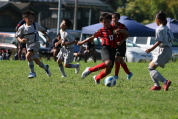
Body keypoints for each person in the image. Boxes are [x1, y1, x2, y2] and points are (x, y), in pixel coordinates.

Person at [77, 13, 129, 84]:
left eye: (108, 22)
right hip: (106, 49)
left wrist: (121, 31)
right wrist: (82, 42)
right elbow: (92, 37)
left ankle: (97, 78)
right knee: (108, 63)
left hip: (113, 50)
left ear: (111, 21)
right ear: (101, 22)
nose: (107, 24)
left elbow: (127, 33)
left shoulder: (115, 28)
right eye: (105, 22)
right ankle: (90, 70)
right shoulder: (101, 31)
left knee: (108, 71)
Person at [16, 10, 52, 78]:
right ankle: (46, 67)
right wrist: (21, 40)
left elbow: (42, 30)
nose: (31, 19)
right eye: (29, 18)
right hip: (28, 45)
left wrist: (48, 37)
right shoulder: (22, 28)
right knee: (37, 62)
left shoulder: (36, 25)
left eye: (32, 17)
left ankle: (32, 73)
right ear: (24, 19)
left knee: (28, 56)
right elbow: (17, 36)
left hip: (35, 44)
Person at [145, 11, 174, 91]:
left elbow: (159, 41)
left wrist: (150, 49)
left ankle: (165, 81)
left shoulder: (159, 29)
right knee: (150, 66)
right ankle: (156, 85)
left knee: (151, 68)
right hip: (168, 49)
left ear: (158, 20)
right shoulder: (167, 28)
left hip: (163, 50)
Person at [111, 12, 133, 80]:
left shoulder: (122, 26)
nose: (114, 19)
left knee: (116, 58)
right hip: (114, 45)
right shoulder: (111, 26)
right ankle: (129, 73)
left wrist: (121, 40)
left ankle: (116, 75)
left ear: (118, 18)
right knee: (121, 60)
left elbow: (127, 33)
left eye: (115, 17)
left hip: (121, 44)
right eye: (112, 18)